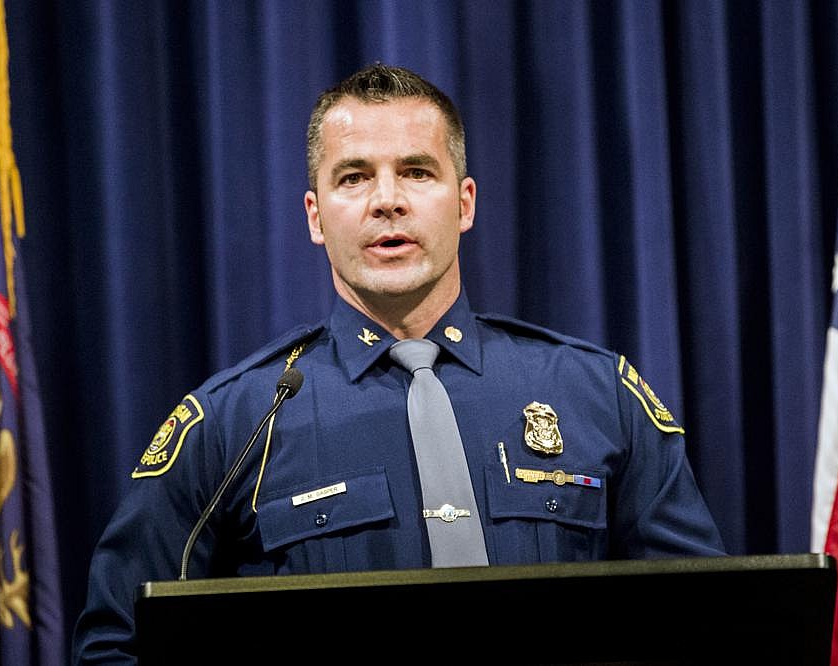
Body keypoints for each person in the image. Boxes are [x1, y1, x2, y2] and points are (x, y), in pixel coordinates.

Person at [74, 64, 725, 662]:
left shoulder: (598, 395)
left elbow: (710, 624)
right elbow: (118, 646)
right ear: (315, 216)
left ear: (464, 203)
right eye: (353, 177)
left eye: (416, 171)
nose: (387, 200)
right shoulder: (233, 424)